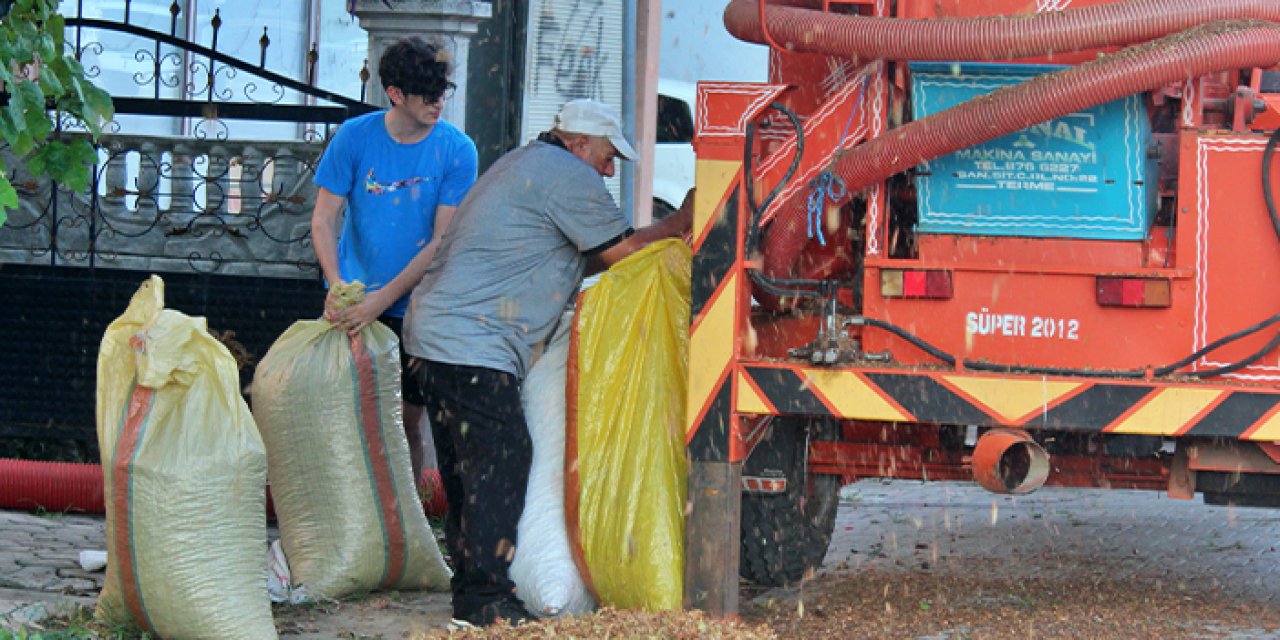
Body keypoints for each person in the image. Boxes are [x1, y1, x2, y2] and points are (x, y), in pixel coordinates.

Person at [402, 99, 693, 627]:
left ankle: (472, 594)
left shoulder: (522, 163)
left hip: (432, 338)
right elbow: (623, 254)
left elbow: (568, 254)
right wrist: (684, 220)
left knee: (467, 472)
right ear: (579, 144)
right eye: (606, 157)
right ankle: (487, 597)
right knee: (501, 460)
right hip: (472, 344)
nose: (609, 170)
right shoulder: (566, 175)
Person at [310, 36, 477, 490]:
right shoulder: (354, 137)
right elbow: (324, 219)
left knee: (406, 421)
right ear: (395, 94)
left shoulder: (458, 150)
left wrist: (381, 301)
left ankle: (408, 526)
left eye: (443, 92)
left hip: (417, 305)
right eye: (427, 94)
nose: (438, 103)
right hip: (354, 298)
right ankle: (348, 520)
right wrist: (337, 284)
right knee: (344, 414)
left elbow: (441, 241)